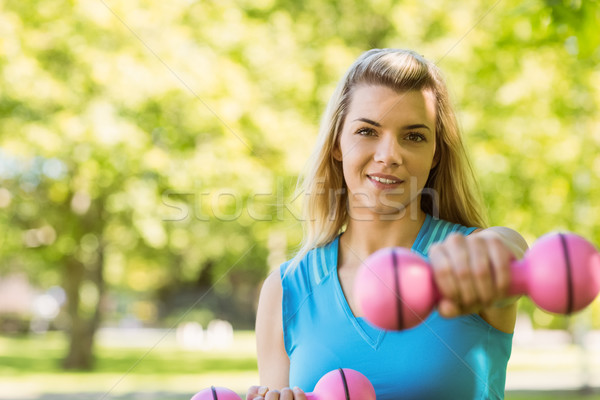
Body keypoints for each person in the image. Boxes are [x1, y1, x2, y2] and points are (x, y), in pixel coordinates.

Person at [246, 48, 528, 400]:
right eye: (367, 131)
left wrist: (499, 247)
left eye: (414, 136)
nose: (389, 155)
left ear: (436, 152)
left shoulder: (471, 261)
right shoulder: (286, 290)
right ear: (337, 143)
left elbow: (509, 250)